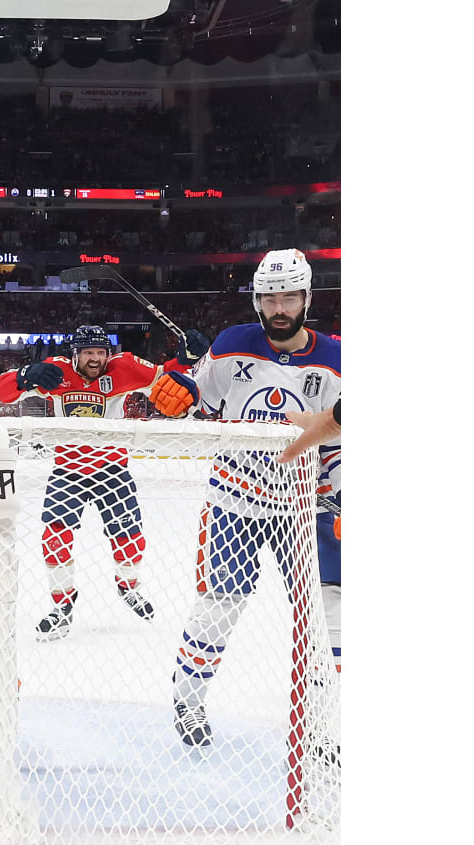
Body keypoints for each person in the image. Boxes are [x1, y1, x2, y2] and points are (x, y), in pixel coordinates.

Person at [147, 249, 341, 747]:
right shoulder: (232, 344)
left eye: (290, 297)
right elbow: (195, 401)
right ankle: (188, 699)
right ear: (257, 300)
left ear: (307, 298)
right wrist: (179, 386)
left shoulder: (337, 359)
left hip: (305, 508)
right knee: (220, 604)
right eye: (270, 298)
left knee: (330, 611)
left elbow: (339, 442)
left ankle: (328, 718)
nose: (280, 308)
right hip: (236, 500)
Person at [0, 324, 207, 640]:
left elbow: (167, 378)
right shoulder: (57, 372)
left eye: (101, 352)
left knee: (131, 540)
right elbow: (1, 391)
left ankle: (128, 586)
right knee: (54, 540)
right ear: (75, 354)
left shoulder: (125, 367)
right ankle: (62, 605)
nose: (95, 359)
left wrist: (186, 358)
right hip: (68, 471)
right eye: (88, 352)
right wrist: (25, 376)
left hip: (113, 471)